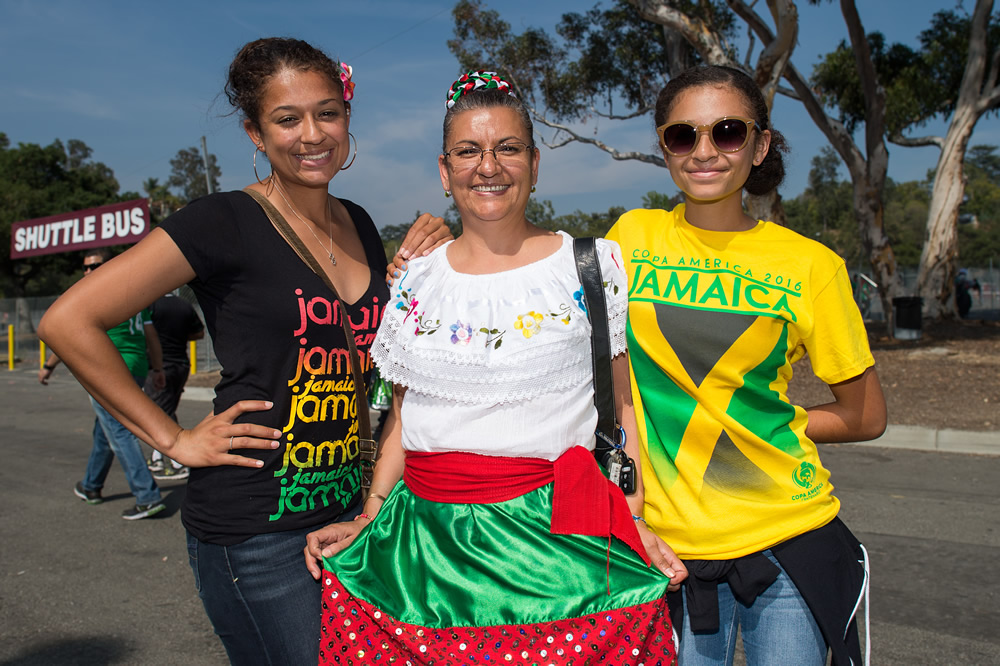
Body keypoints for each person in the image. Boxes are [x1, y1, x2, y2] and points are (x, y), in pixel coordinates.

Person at [38, 38, 450, 665]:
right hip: (256, 531)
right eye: (288, 119)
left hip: (349, 513)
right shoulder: (221, 221)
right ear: (257, 133)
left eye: (327, 112)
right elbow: (69, 321)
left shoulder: (361, 223)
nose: (312, 134)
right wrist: (173, 440)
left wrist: (408, 275)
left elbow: (367, 352)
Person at [304, 71, 687, 666]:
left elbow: (622, 409)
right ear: (443, 169)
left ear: (535, 162)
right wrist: (370, 515)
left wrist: (632, 521)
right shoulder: (415, 281)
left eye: (507, 148)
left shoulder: (590, 264)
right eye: (468, 151)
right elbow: (404, 420)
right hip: (419, 550)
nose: (489, 166)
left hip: (555, 545)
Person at [604, 66, 888, 666]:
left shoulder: (813, 266)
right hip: (666, 551)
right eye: (683, 136)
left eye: (727, 132)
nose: (704, 151)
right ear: (664, 145)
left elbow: (866, 416)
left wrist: (762, 425)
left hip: (788, 539)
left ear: (759, 145)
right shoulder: (631, 237)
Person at [39, 248, 168, 520]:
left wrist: (49, 366)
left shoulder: (92, 296)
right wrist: (157, 368)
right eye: (86, 267)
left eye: (96, 266)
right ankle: (91, 485)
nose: (89, 272)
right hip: (134, 368)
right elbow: (151, 336)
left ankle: (147, 496)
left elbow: (67, 336)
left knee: (119, 431)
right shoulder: (133, 295)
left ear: (110, 265)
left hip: (106, 371)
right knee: (105, 430)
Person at [144, 291, 205, 480]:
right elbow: (199, 333)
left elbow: (145, 334)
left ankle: (178, 461)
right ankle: (158, 457)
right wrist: (178, 336)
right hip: (181, 364)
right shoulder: (184, 305)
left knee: (160, 413)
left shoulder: (149, 305)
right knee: (167, 408)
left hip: (160, 366)